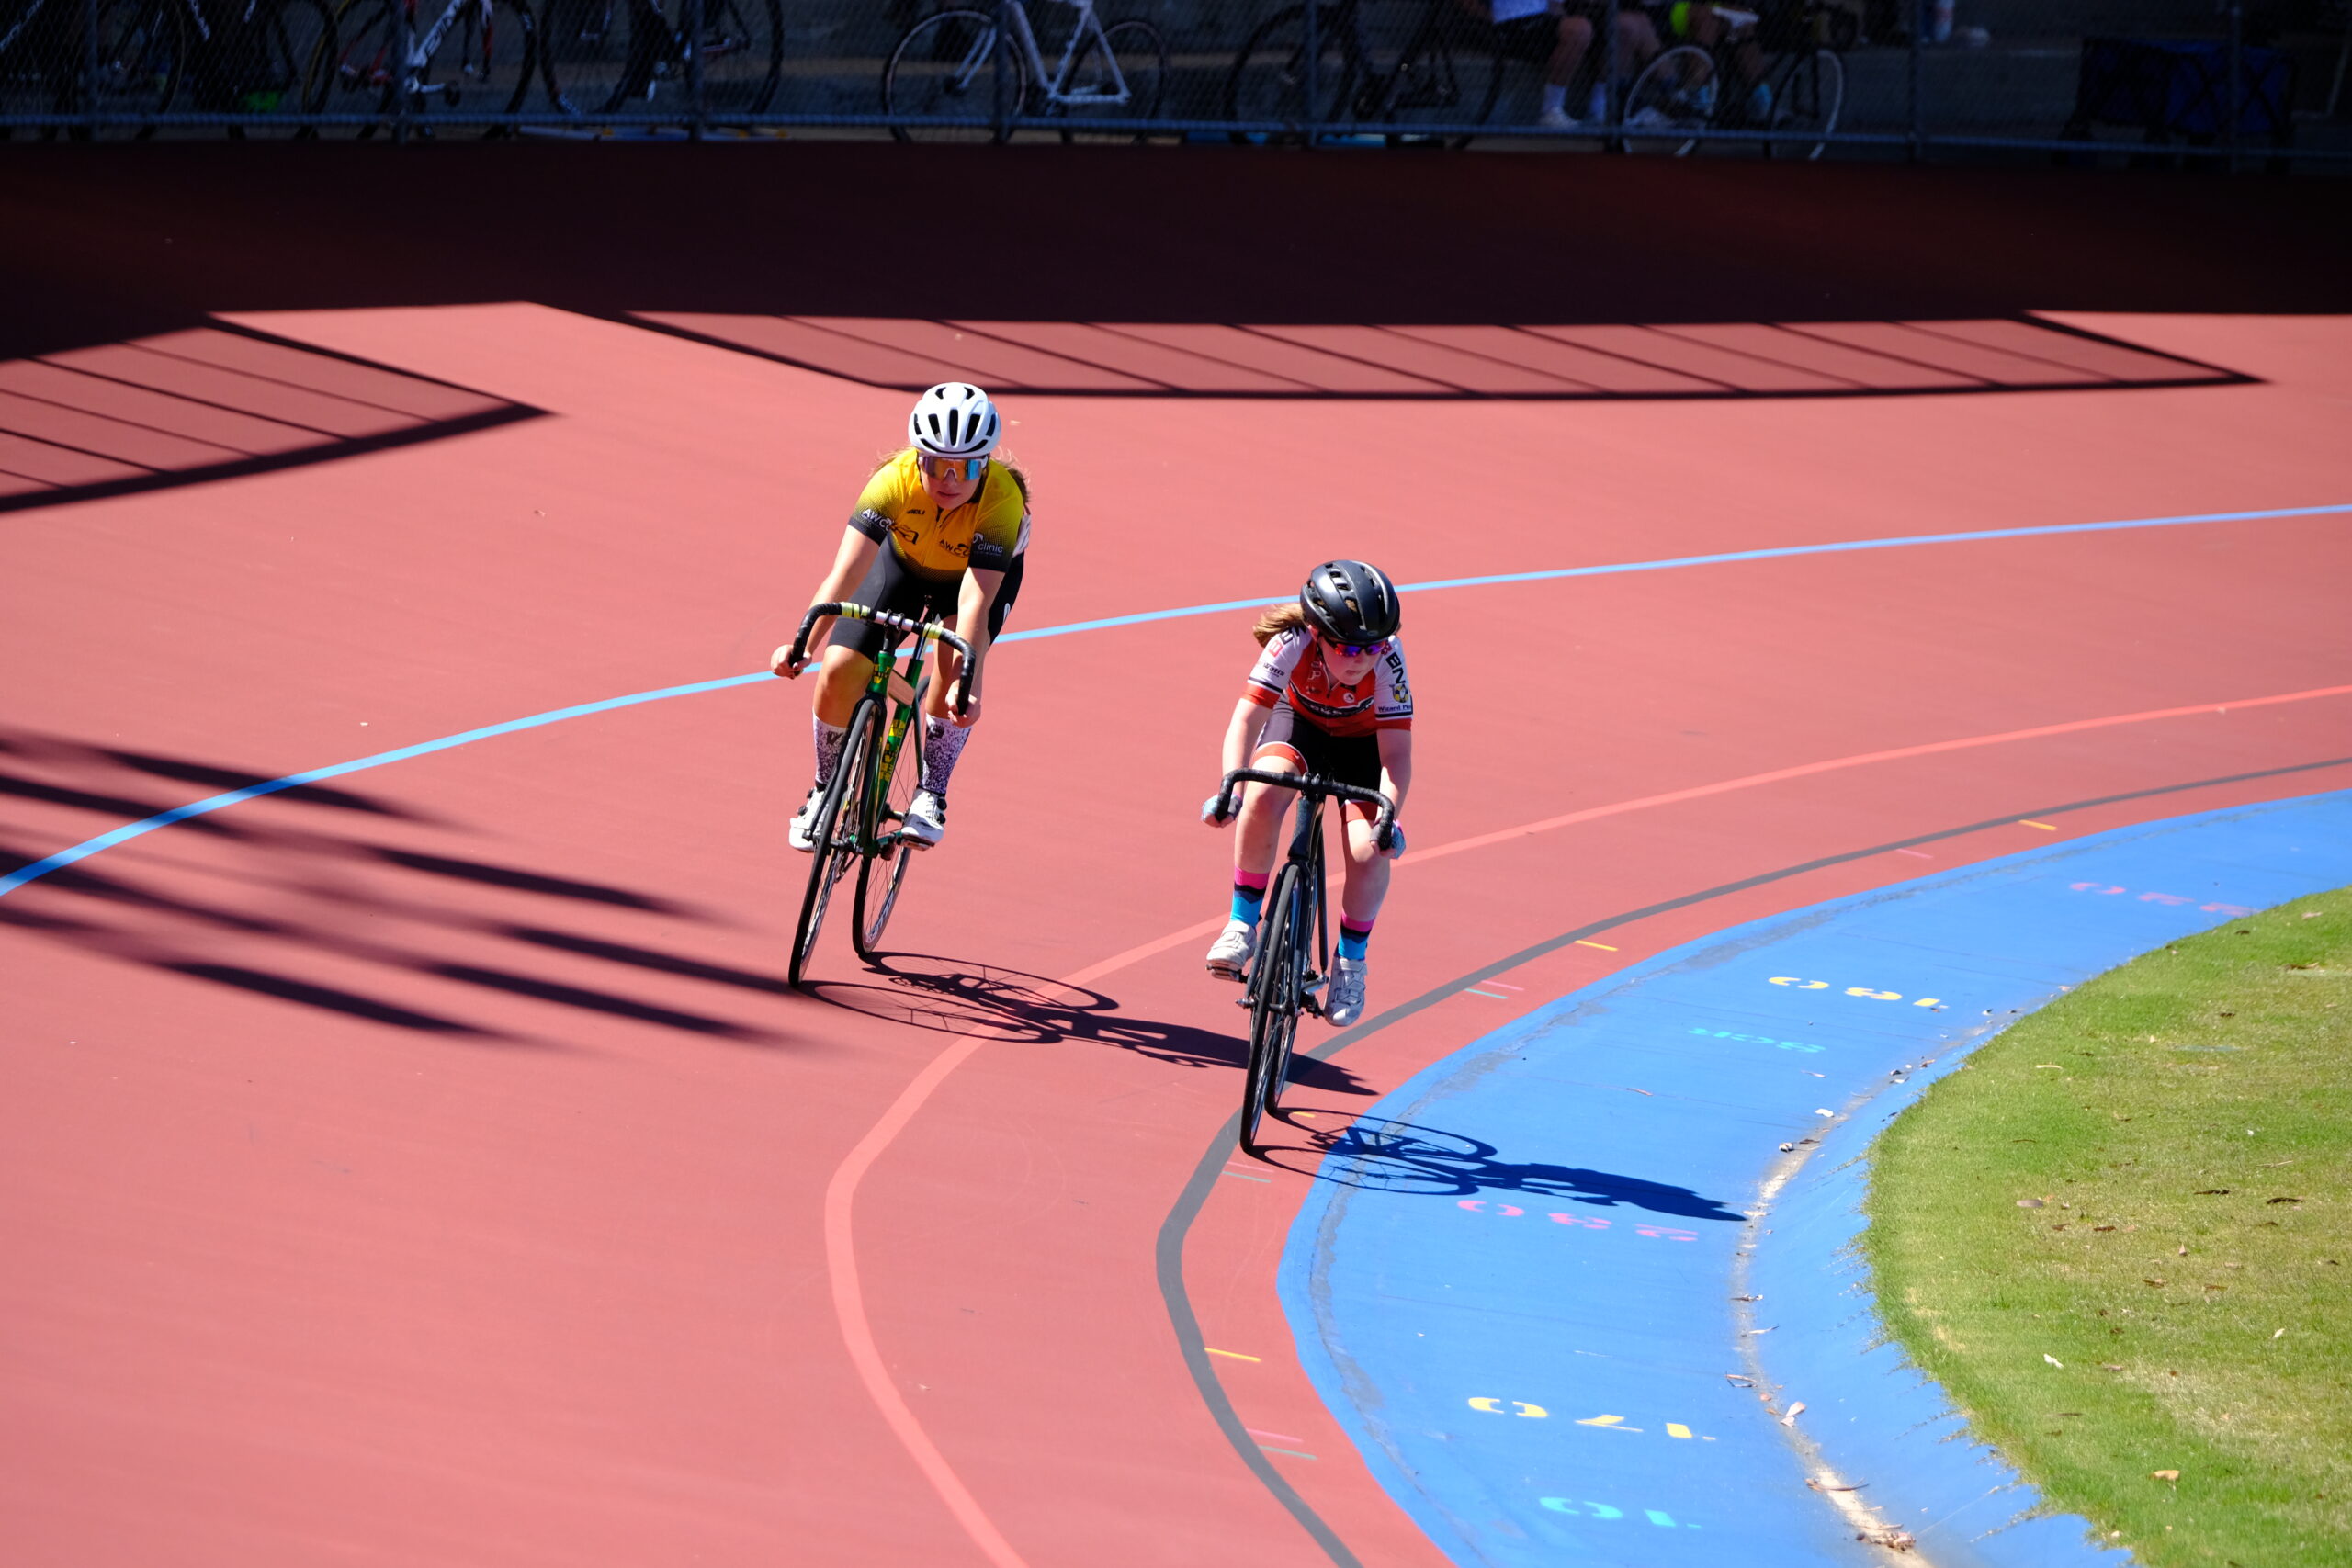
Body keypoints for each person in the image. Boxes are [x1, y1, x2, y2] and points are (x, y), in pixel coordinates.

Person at [772, 382, 1028, 851]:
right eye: (935, 464)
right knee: (838, 666)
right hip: (903, 567)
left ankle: (932, 792)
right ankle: (825, 789)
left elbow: (973, 602)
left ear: (986, 463)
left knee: (952, 669)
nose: (949, 479)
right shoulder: (892, 481)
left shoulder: (1002, 501)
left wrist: (967, 685)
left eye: (966, 467)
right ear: (917, 458)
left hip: (971, 583)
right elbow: (846, 573)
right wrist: (803, 644)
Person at [1202, 560, 1413, 1030]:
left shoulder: (1390, 659)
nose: (1361, 658)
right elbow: (1246, 720)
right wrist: (1230, 789)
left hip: (1363, 744)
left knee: (1368, 850)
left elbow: (1397, 754)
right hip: (1298, 726)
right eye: (1347, 647)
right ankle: (1242, 922)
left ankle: (1351, 960)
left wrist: (1389, 817)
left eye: (1372, 647)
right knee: (1263, 792)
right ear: (1317, 633)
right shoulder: (1290, 642)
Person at [1456, 0, 1659, 127]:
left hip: (1544, 21)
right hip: (1509, 25)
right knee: (1578, 29)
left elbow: (1557, 7)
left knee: (1624, 28)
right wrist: (1489, 20)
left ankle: (1600, 108)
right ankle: (1551, 111)